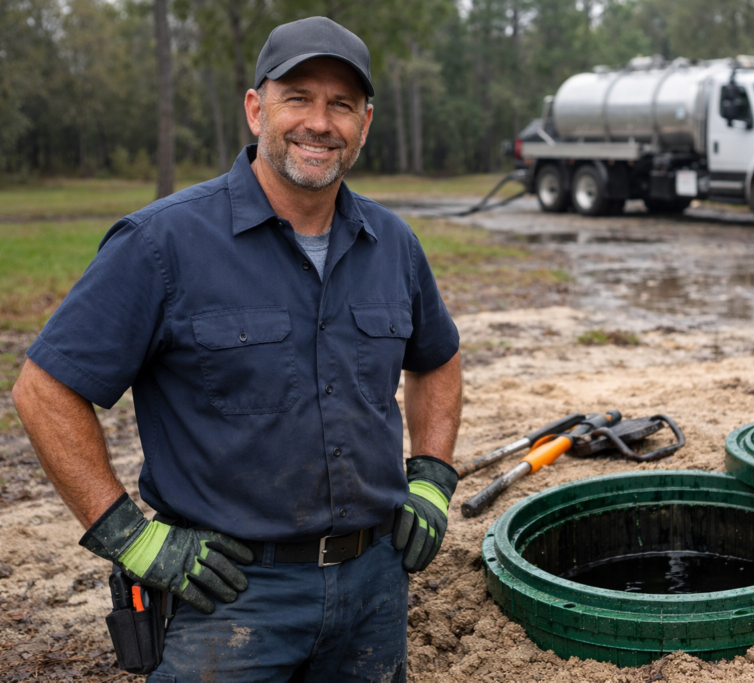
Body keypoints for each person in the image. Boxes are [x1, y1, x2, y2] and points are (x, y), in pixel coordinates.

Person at [11, 17, 462, 682]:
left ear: (365, 123)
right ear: (256, 109)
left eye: (341, 104)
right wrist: (127, 535)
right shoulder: (161, 245)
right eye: (297, 97)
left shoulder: (392, 244)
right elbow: (44, 390)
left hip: (374, 587)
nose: (319, 122)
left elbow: (437, 358)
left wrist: (432, 476)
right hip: (227, 598)